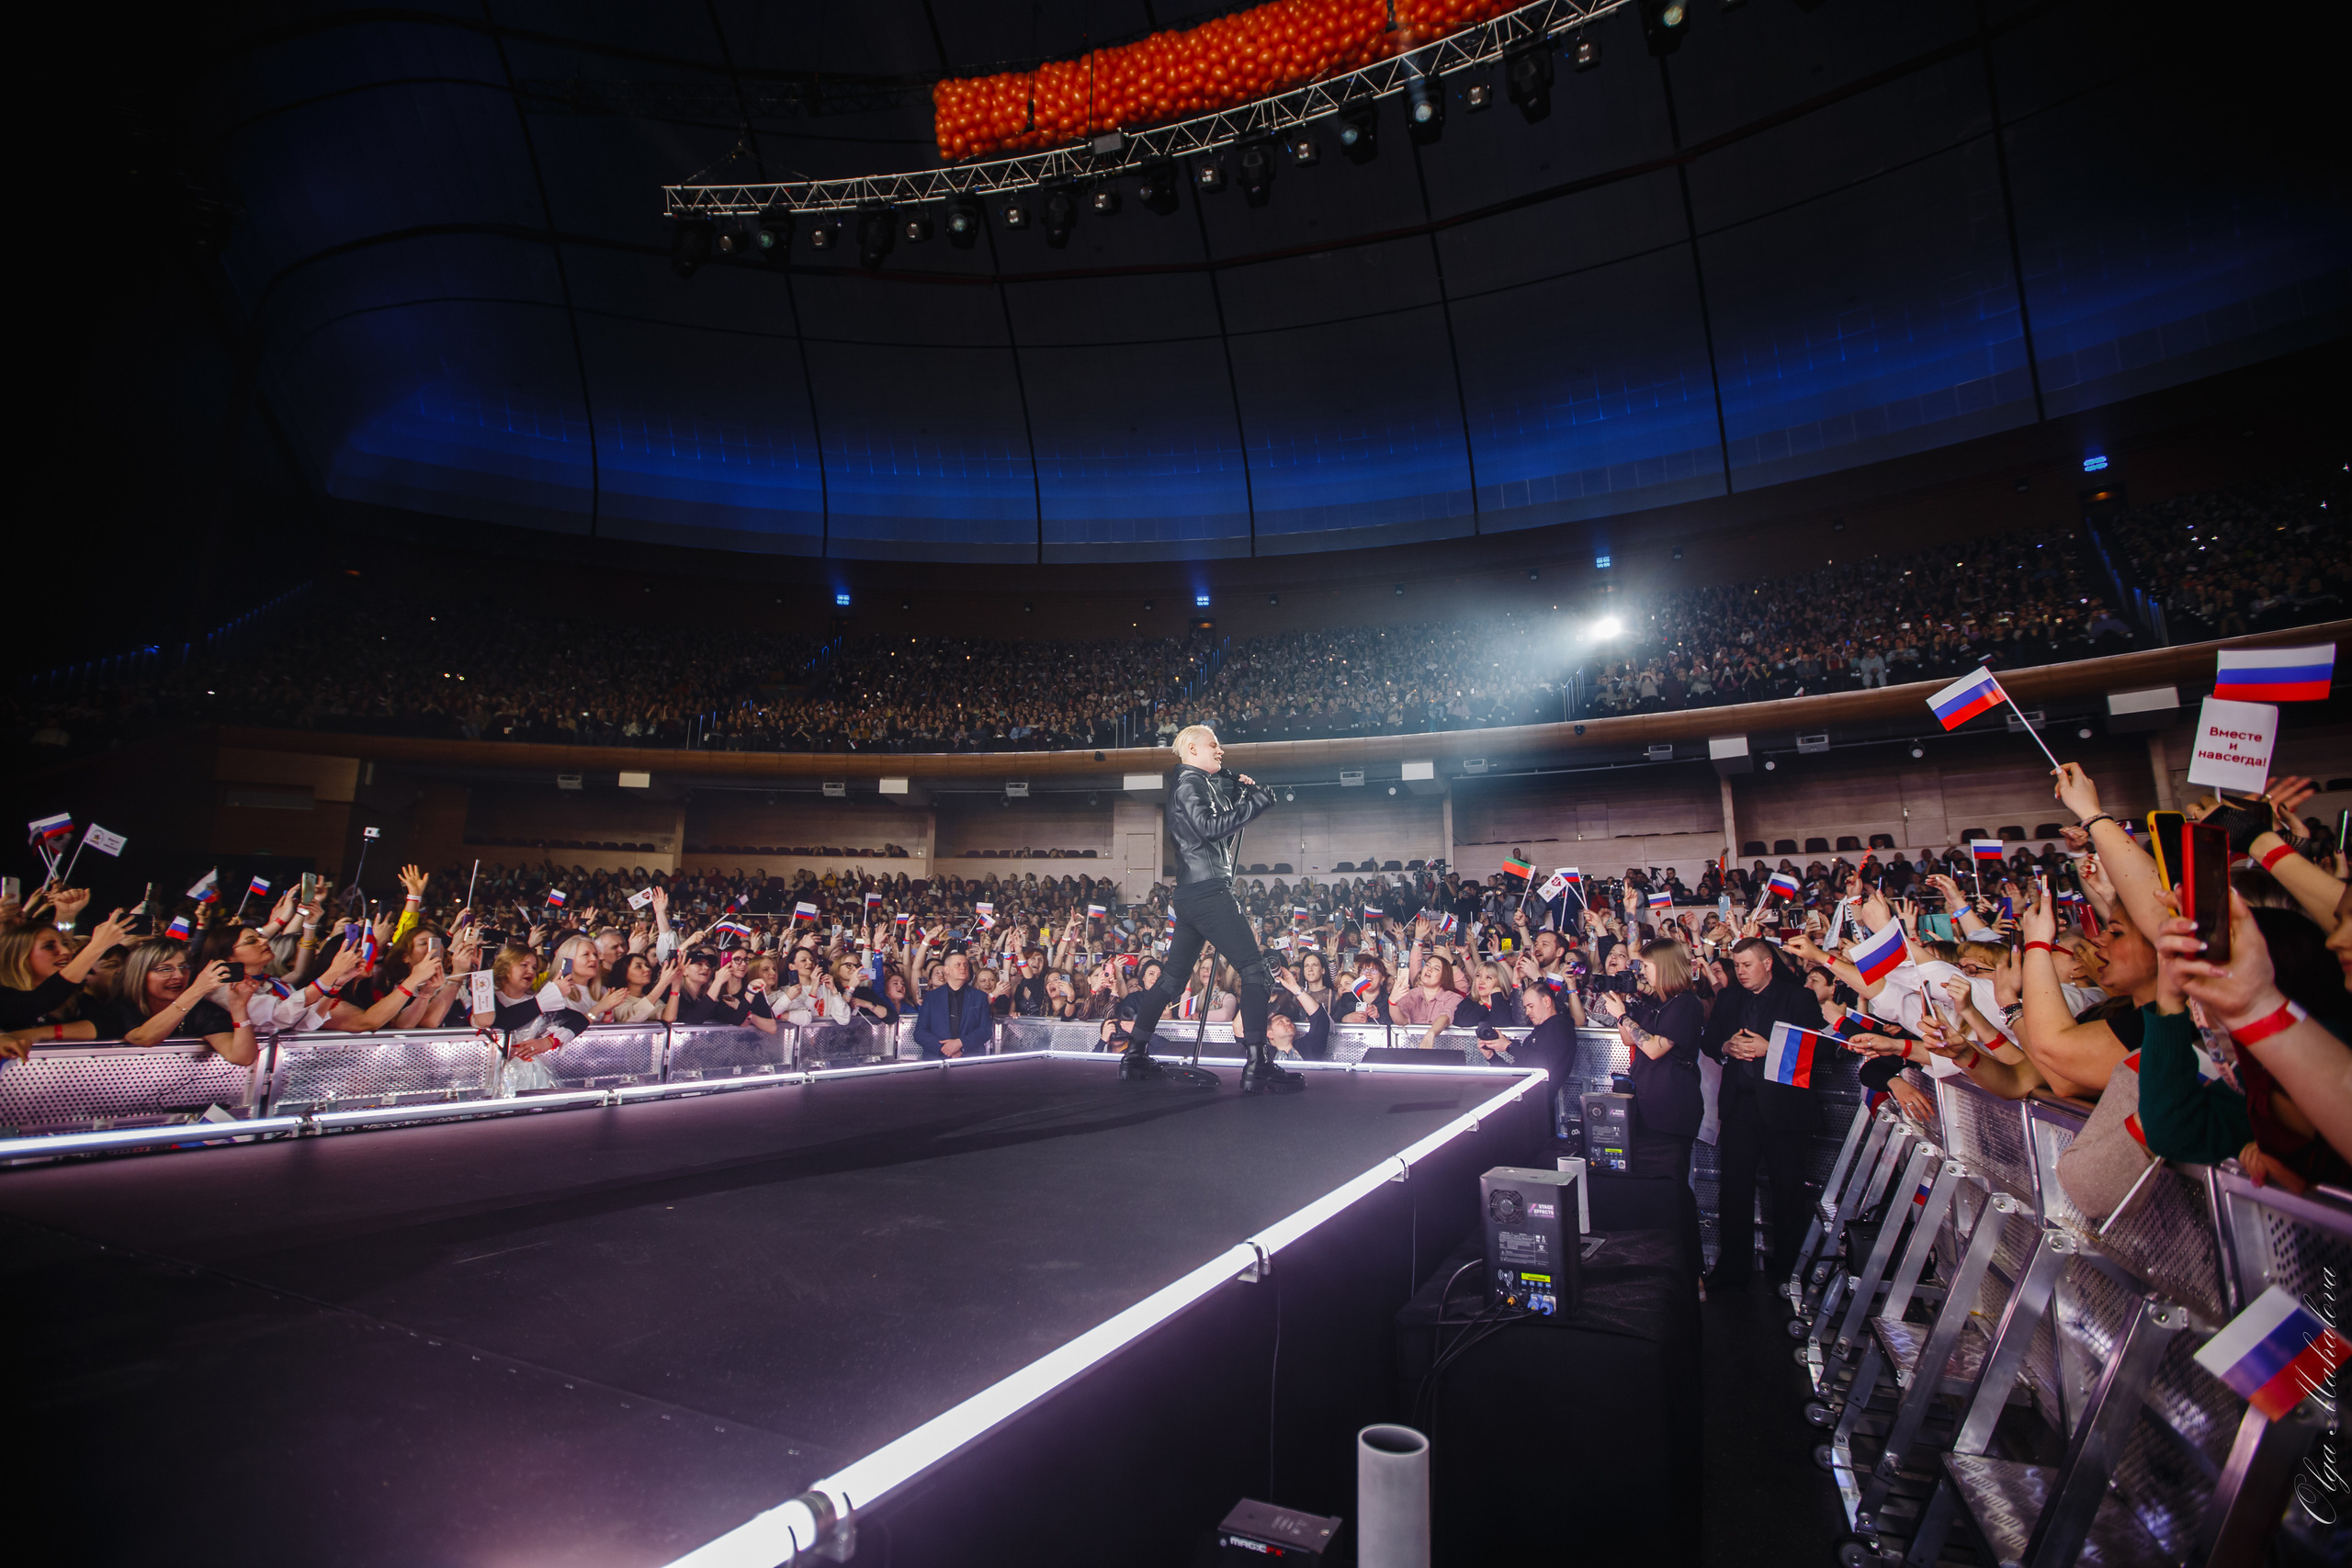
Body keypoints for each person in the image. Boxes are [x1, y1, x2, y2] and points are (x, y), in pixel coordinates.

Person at [1117, 725, 1297, 1093]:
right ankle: (1258, 1064)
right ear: (1192, 748)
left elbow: (1213, 835)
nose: (1221, 752)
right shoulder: (1190, 782)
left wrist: (1236, 797)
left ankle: (1134, 1056)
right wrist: (1255, 804)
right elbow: (1210, 828)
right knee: (1256, 971)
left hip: (1191, 893)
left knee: (1170, 980)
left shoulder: (1195, 782)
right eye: (1214, 745)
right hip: (1209, 891)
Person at [1701, 937, 1832, 1289]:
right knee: (1734, 1192)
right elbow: (1709, 1040)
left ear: (1767, 963)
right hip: (1739, 1107)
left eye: (1747, 965)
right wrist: (1726, 1046)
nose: (1740, 972)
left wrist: (1770, 1049)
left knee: (1787, 1194)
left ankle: (1789, 1275)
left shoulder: (1797, 996)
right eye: (1737, 965)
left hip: (1784, 1110)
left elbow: (1821, 1049)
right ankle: (1733, 1271)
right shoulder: (1728, 996)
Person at [1598, 939, 1705, 1179]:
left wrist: (1623, 1016)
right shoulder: (1658, 1001)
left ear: (1663, 966)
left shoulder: (1686, 1004)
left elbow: (1655, 1048)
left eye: (1646, 966)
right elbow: (1629, 1040)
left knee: (1669, 1176)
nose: (1642, 972)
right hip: (1646, 1102)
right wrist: (1621, 1005)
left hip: (1673, 1106)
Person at [913, 949, 995, 1060]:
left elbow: (985, 1030)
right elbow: (920, 1032)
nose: (963, 968)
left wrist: (960, 1044)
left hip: (970, 1060)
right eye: (958, 965)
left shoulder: (980, 997)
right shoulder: (931, 997)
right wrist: (945, 1048)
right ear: (946, 970)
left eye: (965, 965)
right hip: (937, 1060)